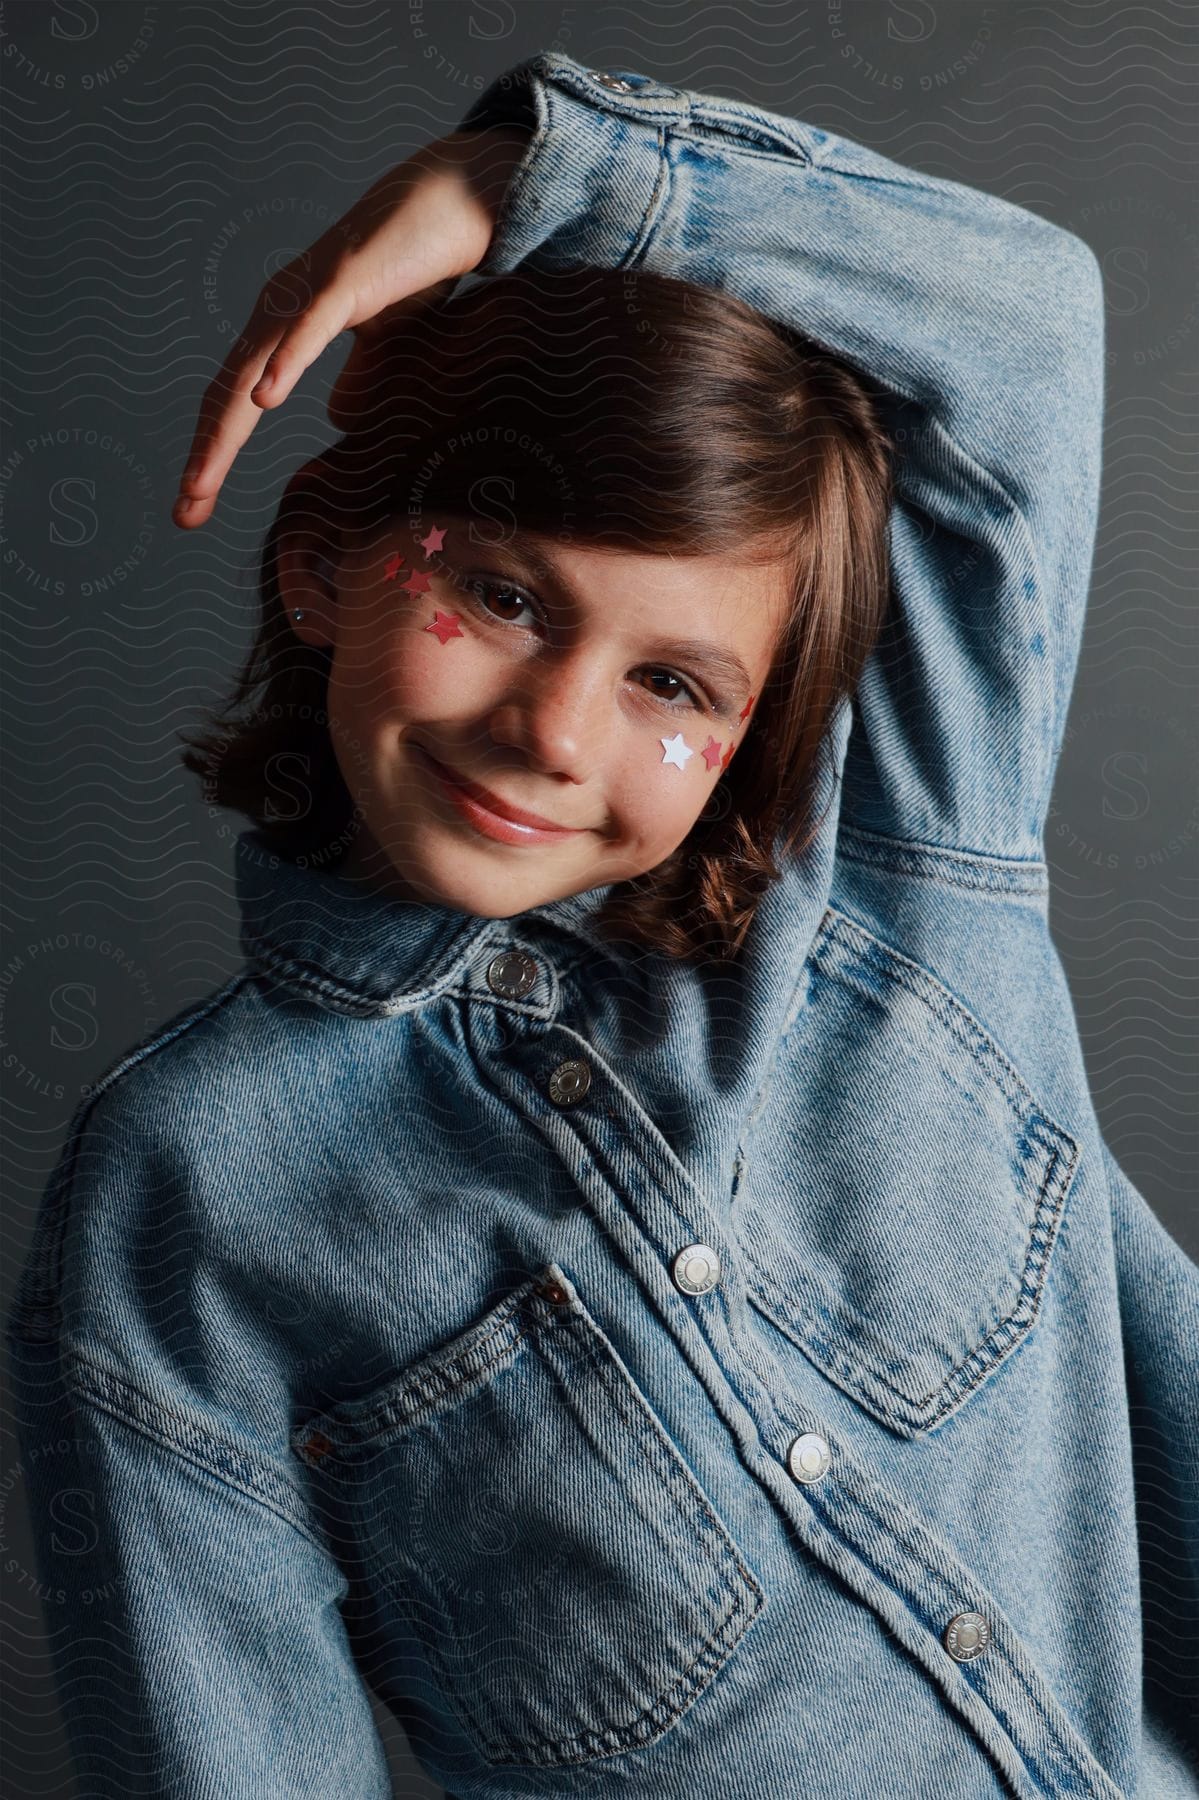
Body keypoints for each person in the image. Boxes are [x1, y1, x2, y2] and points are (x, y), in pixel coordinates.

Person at [6, 48, 1196, 1800]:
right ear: (326, 559)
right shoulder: (187, 1202)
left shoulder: (895, 870)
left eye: (670, 681)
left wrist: (530, 185)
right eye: (498, 596)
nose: (556, 732)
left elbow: (1022, 320)